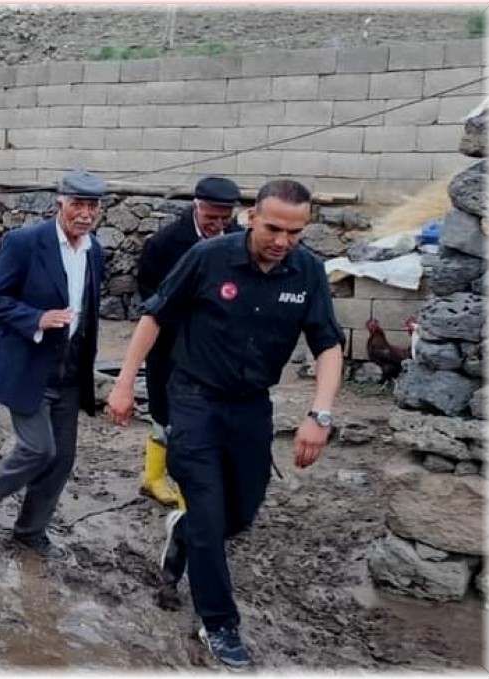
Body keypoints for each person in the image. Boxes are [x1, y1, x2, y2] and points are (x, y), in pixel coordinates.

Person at [107, 179, 345, 670]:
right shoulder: (208, 258)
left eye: (295, 232)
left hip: (252, 407)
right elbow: (154, 318)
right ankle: (220, 624)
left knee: (241, 512)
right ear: (252, 217)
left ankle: (183, 533)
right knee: (212, 520)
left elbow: (327, 343)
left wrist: (319, 414)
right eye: (274, 228)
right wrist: (124, 383)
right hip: (194, 401)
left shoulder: (308, 272)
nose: (282, 241)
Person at [0, 170, 107, 560]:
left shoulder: (95, 251)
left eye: (92, 206)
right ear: (59, 203)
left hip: (70, 369)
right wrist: (36, 319)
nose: (85, 213)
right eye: (77, 204)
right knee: (38, 448)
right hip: (27, 365)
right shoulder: (26, 243)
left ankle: (30, 530)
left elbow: (88, 312)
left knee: (61, 459)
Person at [135, 176, 242, 508]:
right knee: (168, 416)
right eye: (212, 217)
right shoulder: (164, 244)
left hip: (220, 351)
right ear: (196, 206)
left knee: (205, 421)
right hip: (172, 346)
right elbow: (150, 299)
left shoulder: (240, 241)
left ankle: (194, 488)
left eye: (225, 218)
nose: (218, 224)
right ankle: (155, 479)